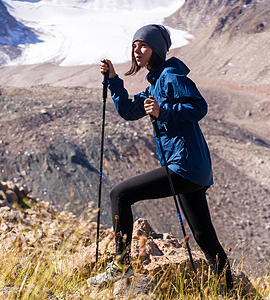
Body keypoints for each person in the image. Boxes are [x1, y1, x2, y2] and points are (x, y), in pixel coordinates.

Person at [87, 24, 233, 291]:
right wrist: (114, 80)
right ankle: (231, 294)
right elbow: (130, 111)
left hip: (185, 165)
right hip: (194, 169)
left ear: (157, 49)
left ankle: (120, 265)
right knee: (204, 236)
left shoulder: (171, 76)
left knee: (120, 194)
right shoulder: (155, 83)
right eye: (134, 45)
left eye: (143, 45)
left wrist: (162, 110)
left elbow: (199, 106)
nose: (137, 50)